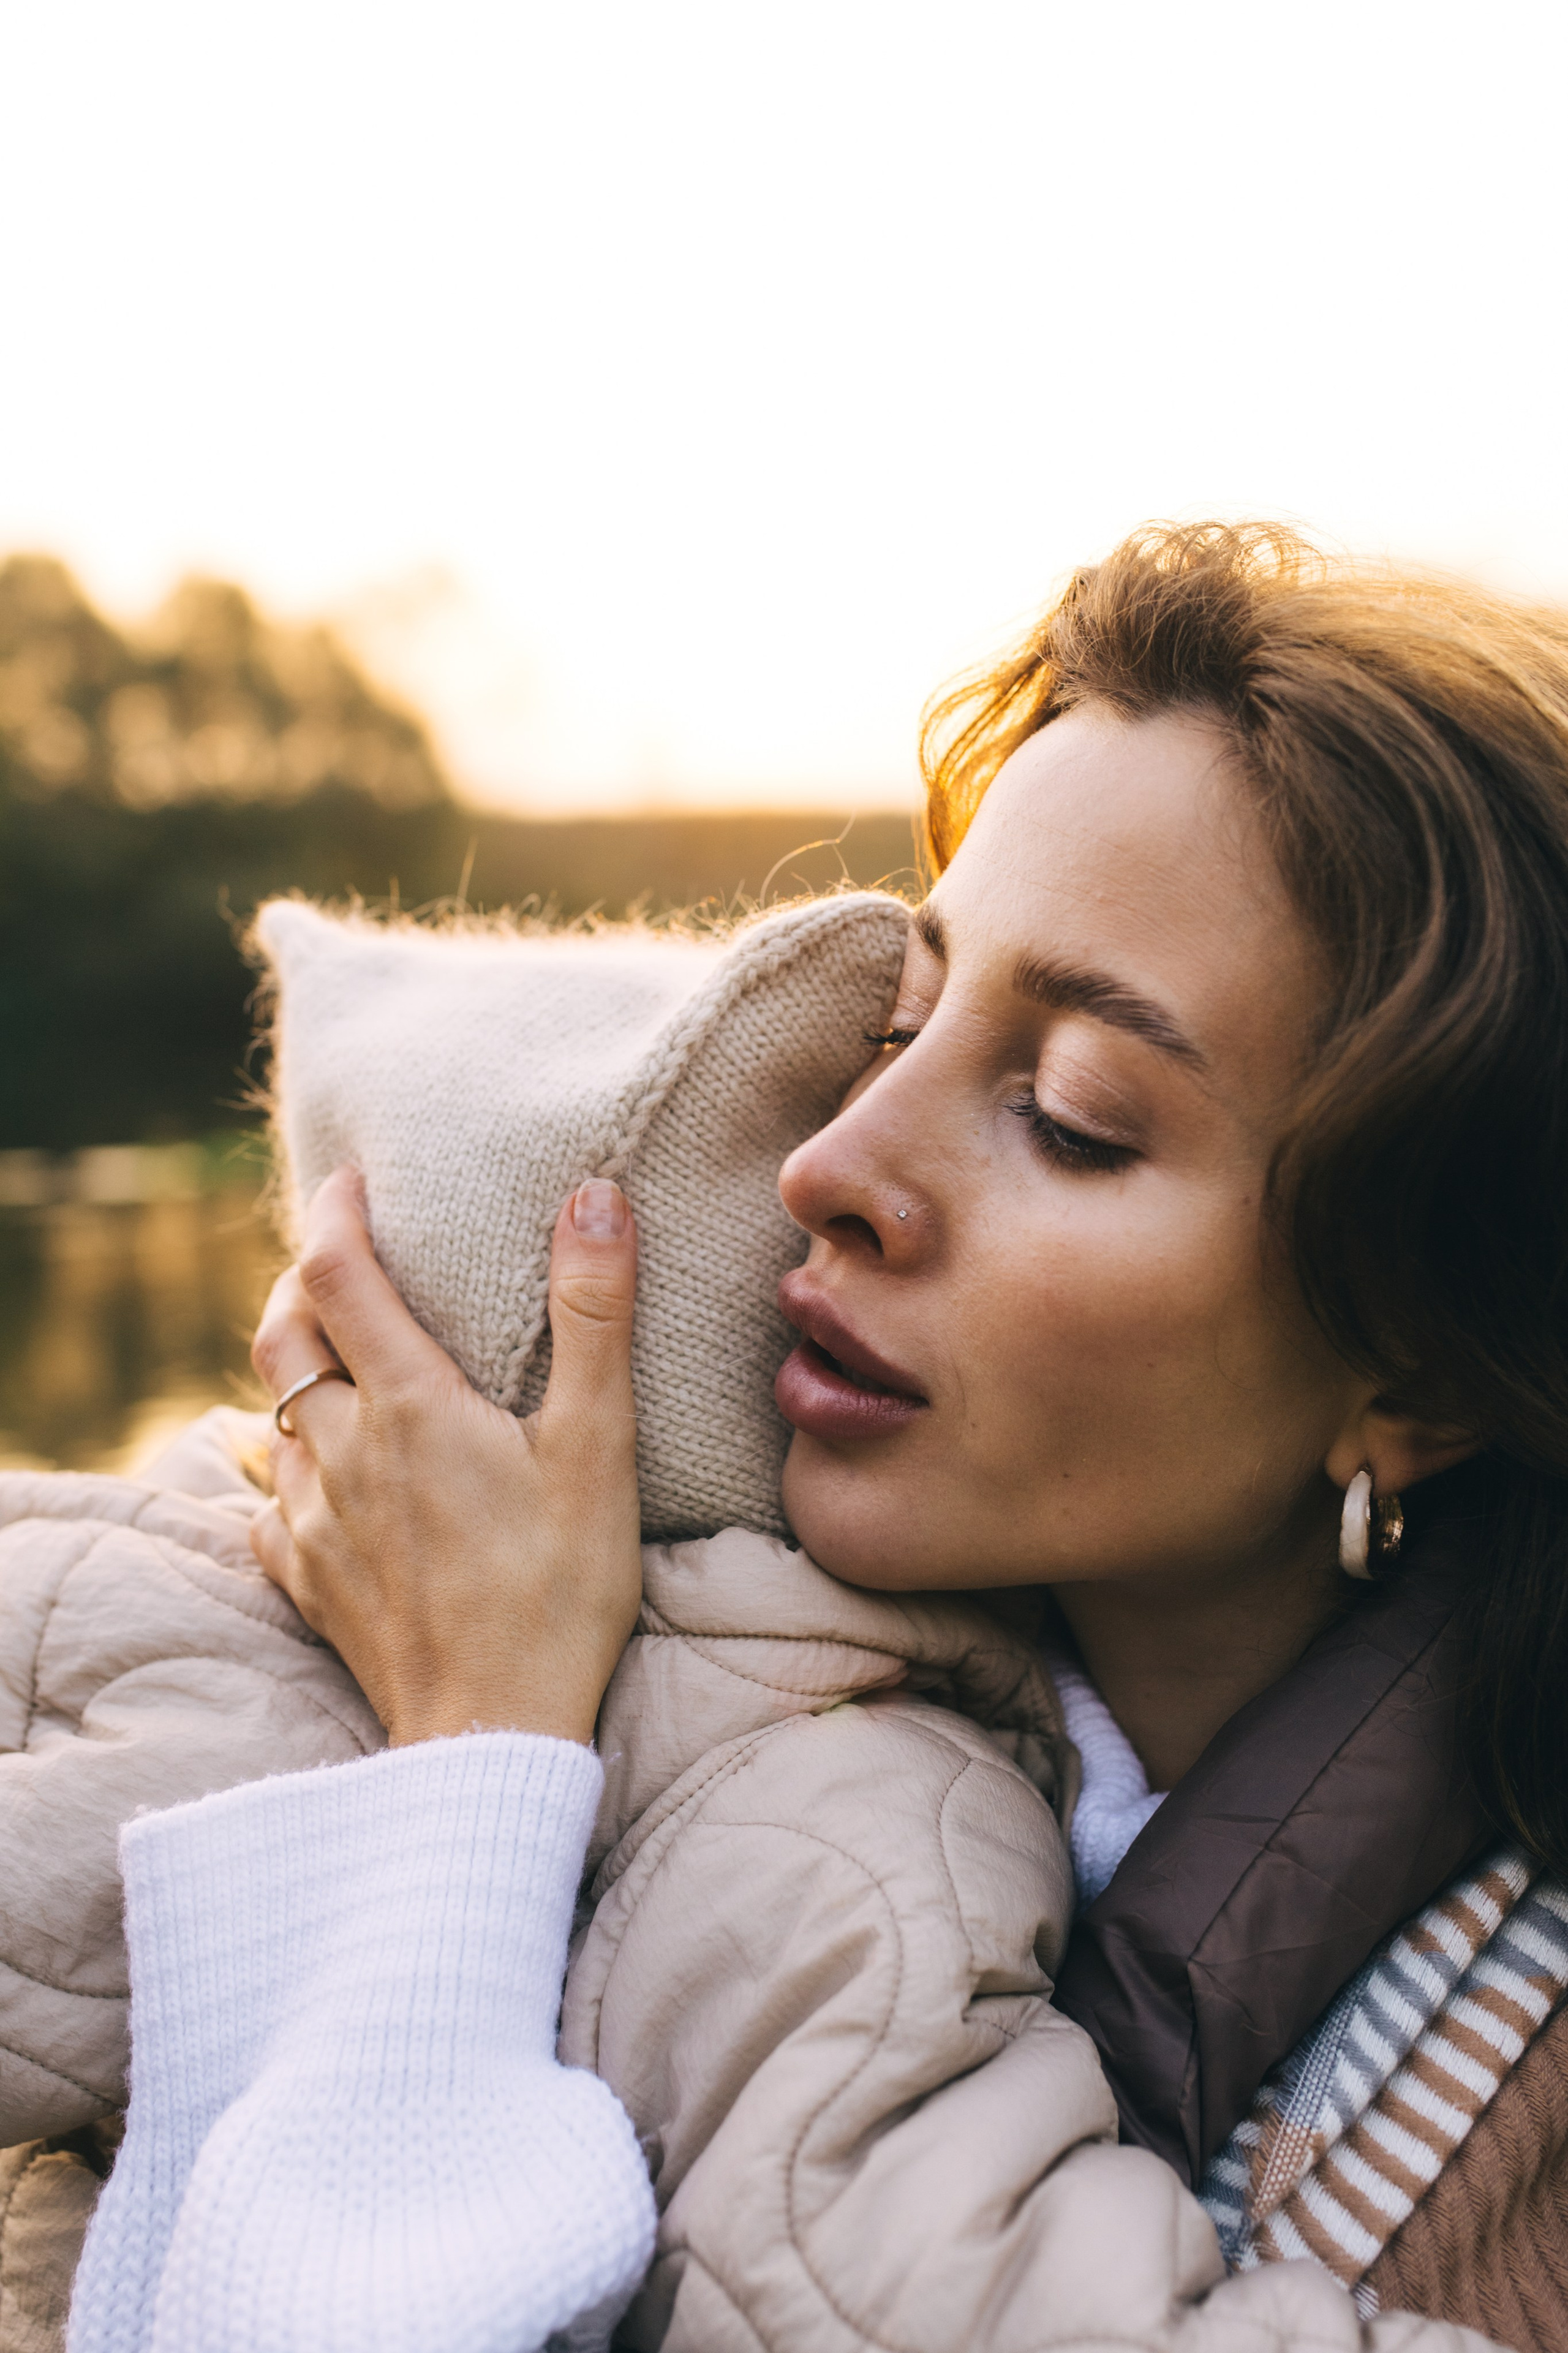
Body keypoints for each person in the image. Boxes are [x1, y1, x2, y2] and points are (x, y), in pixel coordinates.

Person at [68, 521, 1568, 2350]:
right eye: (904, 1022)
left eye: (1076, 1117)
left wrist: (473, 1771)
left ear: (1415, 1374)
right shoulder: (434, 1576)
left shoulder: (1512, 2132)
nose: (832, 1168)